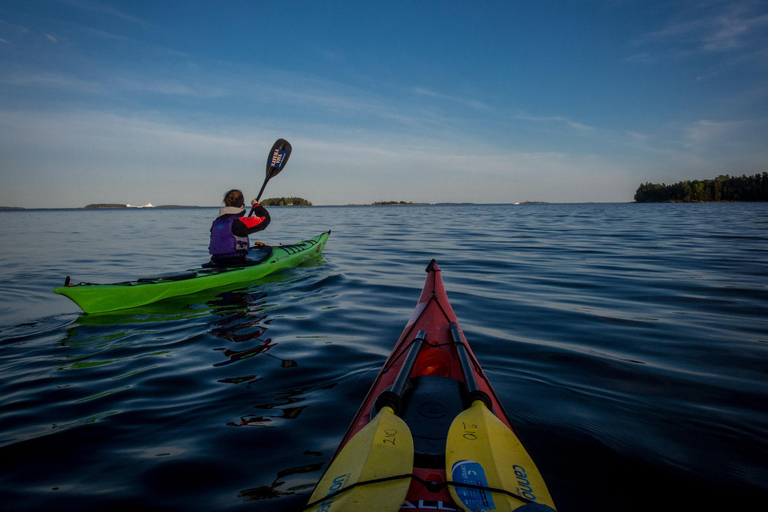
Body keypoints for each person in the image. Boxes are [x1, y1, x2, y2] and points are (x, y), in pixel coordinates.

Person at [209, 189, 270, 264]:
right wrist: (256, 205)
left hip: (215, 261)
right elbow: (265, 219)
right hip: (236, 261)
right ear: (241, 206)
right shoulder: (239, 222)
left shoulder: (216, 222)